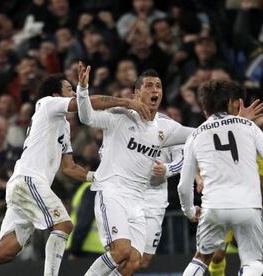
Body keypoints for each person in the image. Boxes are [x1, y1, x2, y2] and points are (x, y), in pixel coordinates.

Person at [0, 67, 150, 275]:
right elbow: (85, 103)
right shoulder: (47, 104)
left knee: (5, 251)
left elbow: (69, 168)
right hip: (28, 180)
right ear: (56, 95)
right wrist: (126, 102)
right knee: (64, 225)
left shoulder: (63, 126)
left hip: (25, 187)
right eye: (69, 89)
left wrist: (100, 177)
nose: (74, 93)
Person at [77, 68, 194, 276]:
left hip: (139, 201)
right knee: (121, 251)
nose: (154, 90)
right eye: (148, 85)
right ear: (136, 93)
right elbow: (86, 116)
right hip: (113, 191)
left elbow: (199, 134)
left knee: (133, 263)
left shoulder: (166, 128)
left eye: (158, 86)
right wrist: (83, 89)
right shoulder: (119, 116)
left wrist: (237, 122)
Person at [178, 79, 263, 276]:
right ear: (229, 102)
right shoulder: (248, 126)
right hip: (248, 207)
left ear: (203, 107)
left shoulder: (195, 136)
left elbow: (183, 185)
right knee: (255, 260)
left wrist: (189, 210)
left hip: (213, 207)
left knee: (201, 258)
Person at [140, 144, 184, 269]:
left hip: (154, 201)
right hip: (128, 196)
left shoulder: (168, 128)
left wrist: (167, 168)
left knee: (144, 260)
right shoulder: (125, 126)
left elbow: (182, 159)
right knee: (124, 253)